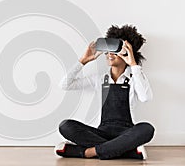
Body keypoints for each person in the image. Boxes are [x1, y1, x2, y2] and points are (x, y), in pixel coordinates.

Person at [55, 25, 155, 160]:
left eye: (115, 49)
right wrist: (83, 61)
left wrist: (133, 65)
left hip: (126, 134)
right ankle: (126, 152)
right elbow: (65, 85)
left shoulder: (135, 79)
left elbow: (145, 97)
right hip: (100, 134)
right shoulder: (99, 79)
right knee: (66, 126)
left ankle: (86, 153)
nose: (109, 54)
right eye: (107, 50)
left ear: (127, 52)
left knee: (147, 129)